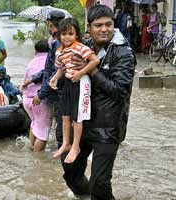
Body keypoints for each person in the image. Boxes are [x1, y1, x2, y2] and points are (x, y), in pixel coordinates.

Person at [61, 5, 136, 199]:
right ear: (89, 27)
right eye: (98, 25)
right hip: (82, 122)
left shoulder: (124, 53)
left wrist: (91, 69)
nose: (104, 29)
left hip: (108, 126)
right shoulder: (82, 46)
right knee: (70, 170)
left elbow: (118, 91)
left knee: (100, 183)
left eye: (108, 24)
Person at [49, 18, 100, 163]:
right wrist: (55, 78)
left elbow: (95, 60)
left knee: (78, 117)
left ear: (76, 35)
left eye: (70, 34)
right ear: (59, 35)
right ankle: (66, 143)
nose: (67, 37)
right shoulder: (60, 51)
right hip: (68, 83)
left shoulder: (80, 47)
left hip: (81, 82)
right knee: (65, 115)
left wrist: (81, 73)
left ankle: (76, 146)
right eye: (64, 34)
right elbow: (61, 68)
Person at [25, 10, 65, 147]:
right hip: (54, 92)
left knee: (43, 129)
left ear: (49, 24)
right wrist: (34, 79)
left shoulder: (58, 43)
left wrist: (41, 94)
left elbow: (55, 72)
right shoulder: (54, 42)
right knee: (43, 128)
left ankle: (37, 161)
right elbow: (48, 70)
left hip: (57, 93)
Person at [22, 40, 52, 152]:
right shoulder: (49, 61)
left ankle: (31, 149)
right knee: (43, 133)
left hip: (27, 100)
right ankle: (37, 160)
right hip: (40, 99)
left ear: (36, 50)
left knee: (35, 124)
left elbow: (25, 80)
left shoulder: (32, 62)